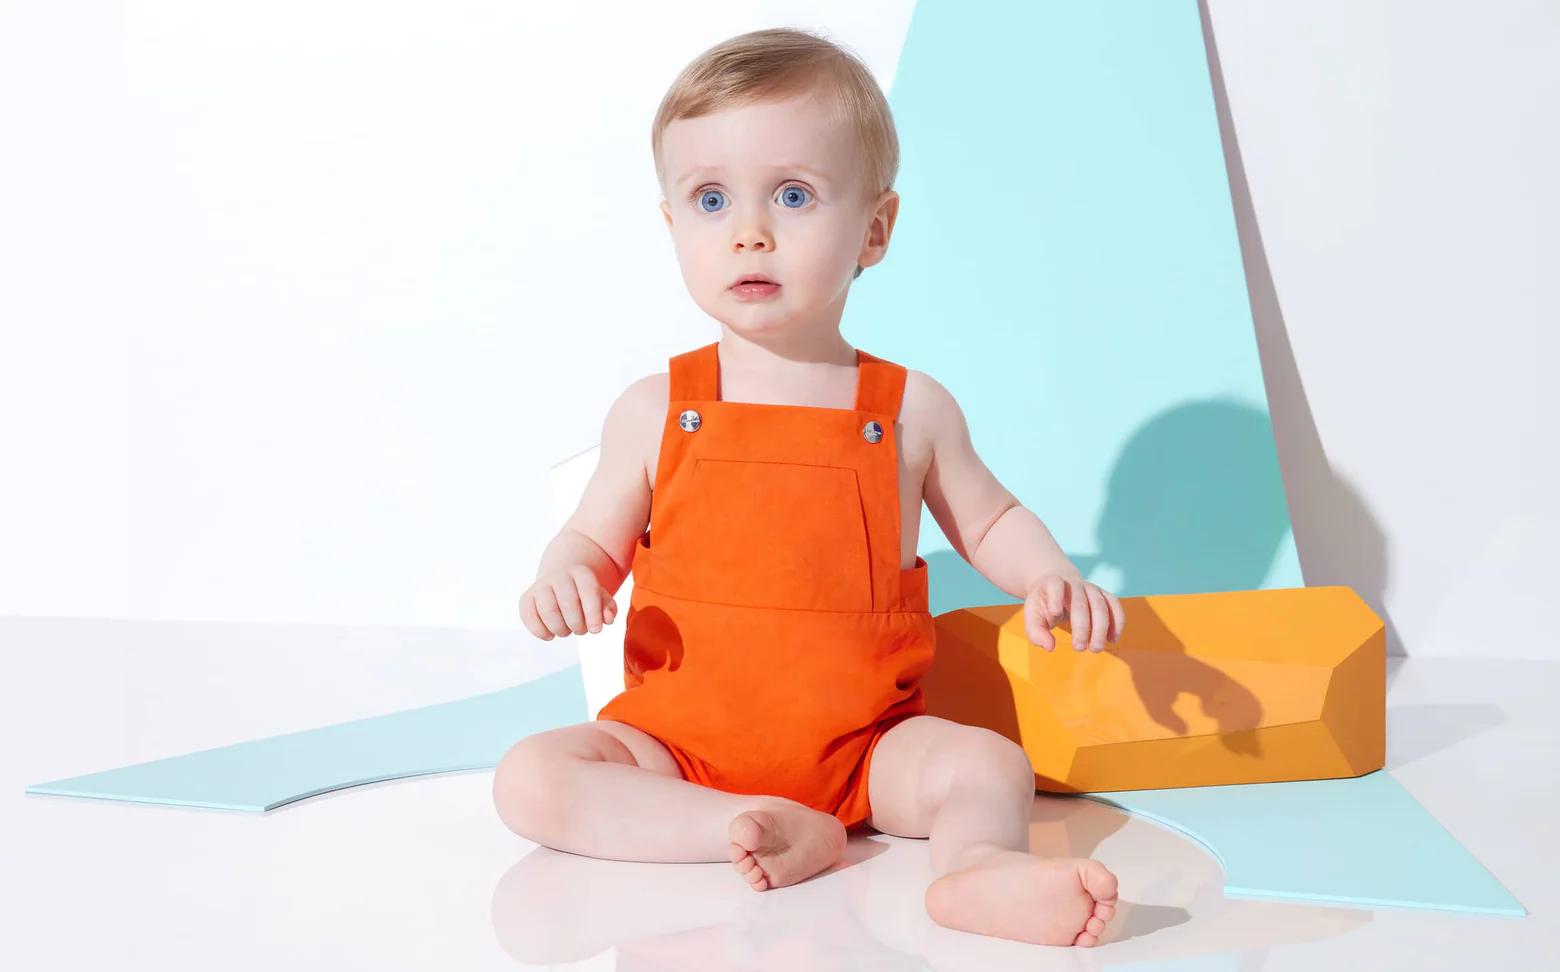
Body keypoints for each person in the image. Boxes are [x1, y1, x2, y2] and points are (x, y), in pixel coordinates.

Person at [495, 26, 1124, 948]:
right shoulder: (654, 410)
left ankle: (977, 867)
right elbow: (593, 538)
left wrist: (1048, 576)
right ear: (673, 227)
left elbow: (990, 520)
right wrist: (567, 574)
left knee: (987, 763)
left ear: (875, 229)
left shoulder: (910, 411)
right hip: (674, 751)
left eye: (793, 195)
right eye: (711, 199)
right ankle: (739, 825)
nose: (749, 231)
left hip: (868, 751)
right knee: (530, 779)